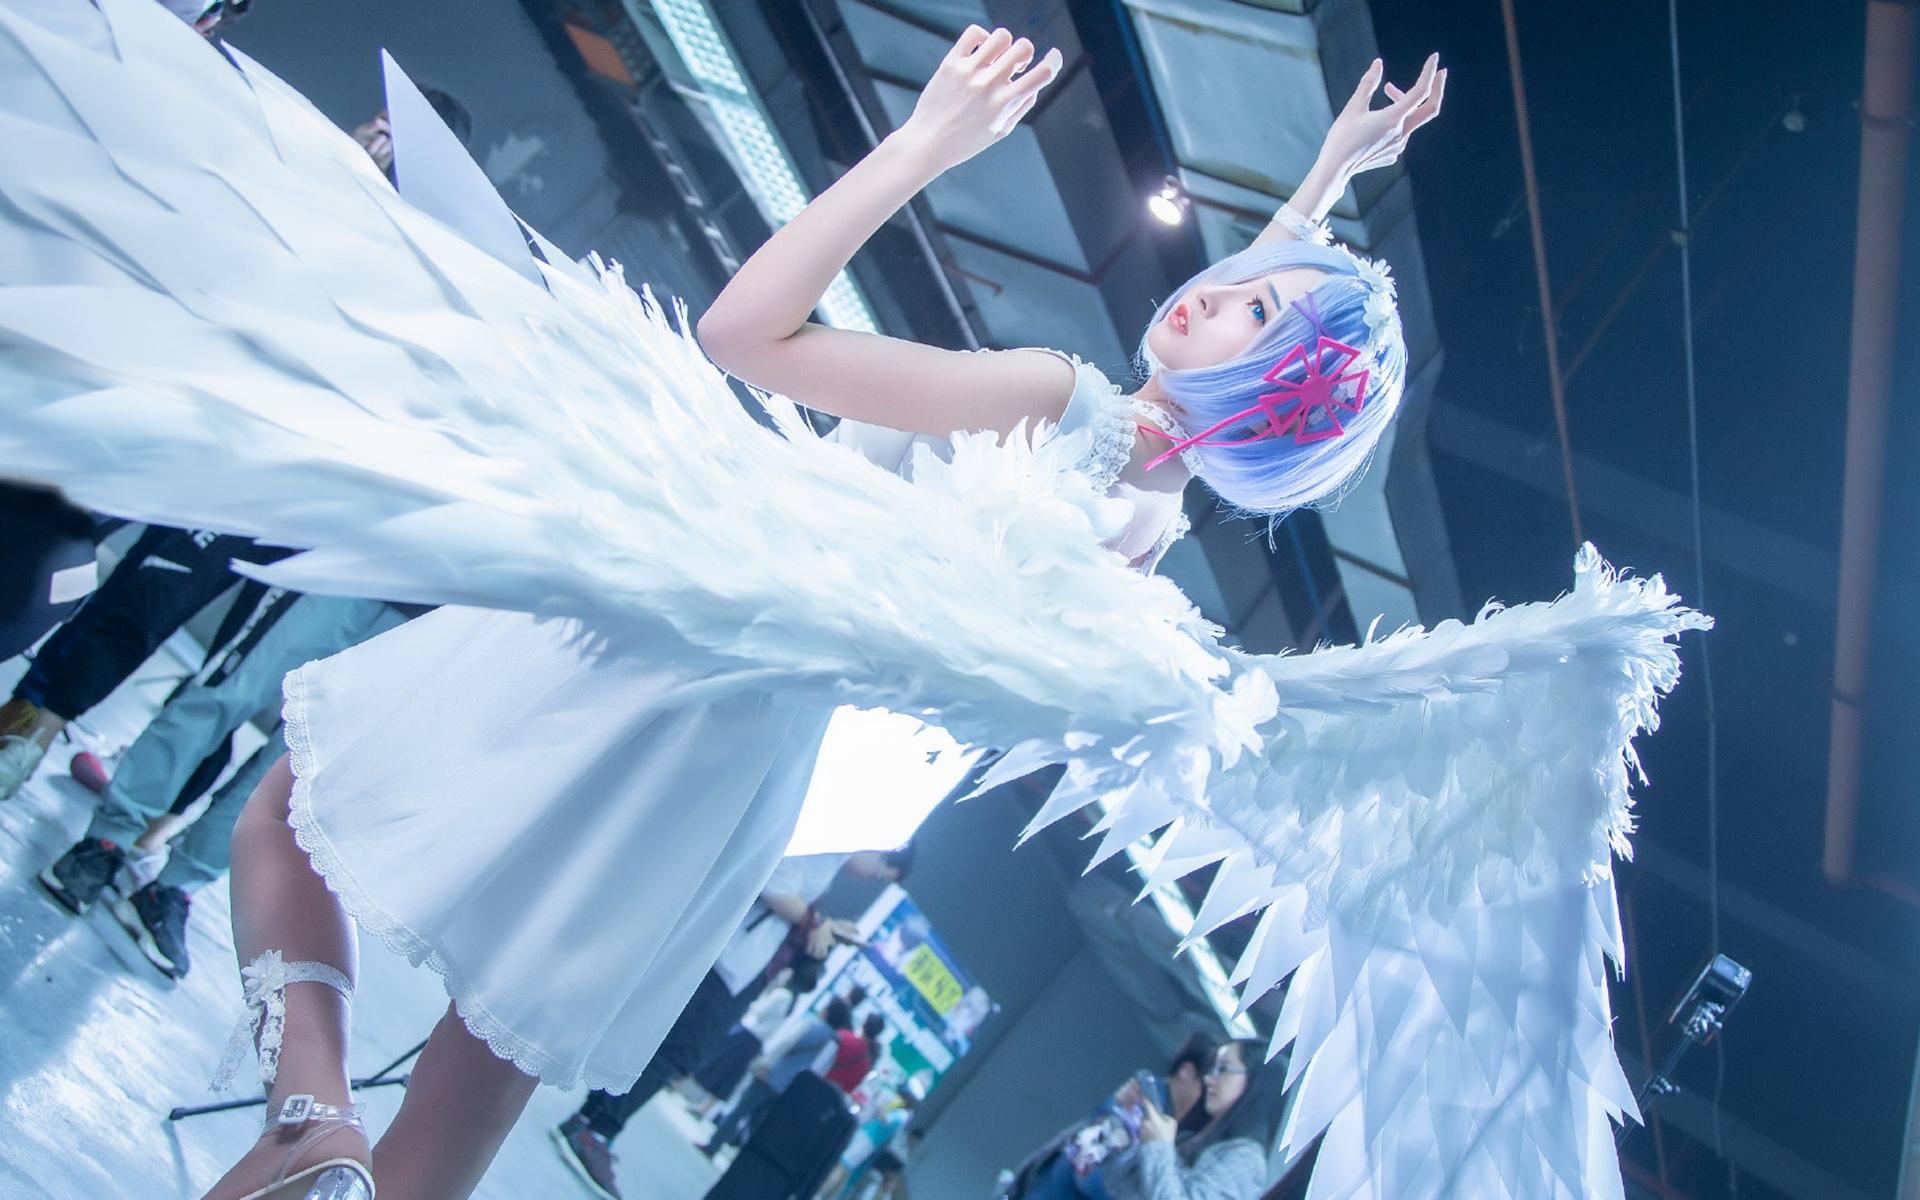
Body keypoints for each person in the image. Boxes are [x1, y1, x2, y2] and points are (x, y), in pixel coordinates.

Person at [5, 8, 1708, 1197]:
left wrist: (924, 143)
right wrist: (1326, 183)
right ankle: (332, 1162)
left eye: (1251, 311)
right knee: (463, 1110)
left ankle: (305, 1108)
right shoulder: (1149, 521)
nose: (1217, 294)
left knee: (288, 814)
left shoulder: (1057, 394)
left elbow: (747, 336)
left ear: (1262, 393)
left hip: (662, 636)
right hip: (750, 763)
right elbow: (1245, 371)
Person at [555, 848, 911, 1200]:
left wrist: (824, 926)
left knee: (669, 1047)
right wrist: (816, 924)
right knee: (677, 1052)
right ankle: (597, 1130)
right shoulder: (827, 848)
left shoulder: (831, 860)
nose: (872, 876)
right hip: (730, 961)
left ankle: (589, 1121)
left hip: (739, 964)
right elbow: (776, 879)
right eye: (881, 869)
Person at [1003, 1032, 1220, 1200]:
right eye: (1206, 1084)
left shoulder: (1156, 1111)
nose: (1210, 1092)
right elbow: (1090, 1174)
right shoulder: (1144, 1104)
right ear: (1187, 1071)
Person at [1098, 1040, 1285, 1200]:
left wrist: (1158, 1146)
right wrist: (1133, 1123)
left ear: (1257, 1082)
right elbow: (1115, 1186)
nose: (1209, 1078)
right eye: (1213, 1068)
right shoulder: (1194, 1139)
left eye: (1223, 1069)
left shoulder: (1247, 1160)